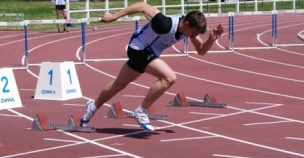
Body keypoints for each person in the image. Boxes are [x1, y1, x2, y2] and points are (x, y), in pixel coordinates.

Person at [80, 2, 224, 131]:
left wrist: (211, 39)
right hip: (138, 49)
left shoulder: (187, 29)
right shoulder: (165, 24)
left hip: (147, 53)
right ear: (186, 24)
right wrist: (113, 17)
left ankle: (92, 107)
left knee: (119, 84)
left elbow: (201, 51)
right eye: (194, 32)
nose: (194, 36)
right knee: (169, 77)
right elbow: (143, 5)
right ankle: (141, 110)